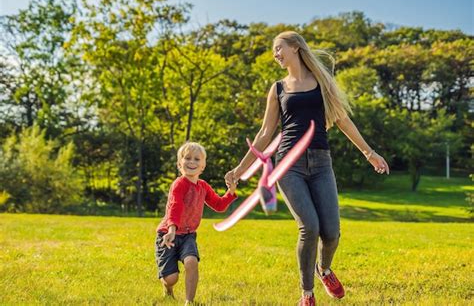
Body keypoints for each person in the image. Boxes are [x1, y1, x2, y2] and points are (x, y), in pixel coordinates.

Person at [225, 31, 390, 306]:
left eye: (278, 48)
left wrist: (369, 153)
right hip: (289, 165)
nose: (275, 55)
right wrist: (241, 168)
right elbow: (265, 133)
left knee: (332, 232)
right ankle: (307, 294)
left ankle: (323, 270)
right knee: (309, 227)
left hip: (321, 162)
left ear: (295, 48)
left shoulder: (322, 82)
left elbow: (342, 120)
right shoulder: (278, 88)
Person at [156, 142, 238, 305]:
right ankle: (168, 289)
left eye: (196, 159)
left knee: (192, 261)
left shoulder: (203, 186)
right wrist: (171, 230)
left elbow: (219, 205)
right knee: (171, 278)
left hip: (187, 235)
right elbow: (175, 206)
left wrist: (231, 192)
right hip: (168, 233)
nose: (191, 162)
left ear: (203, 166)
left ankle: (189, 301)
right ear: (180, 164)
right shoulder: (179, 184)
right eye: (187, 158)